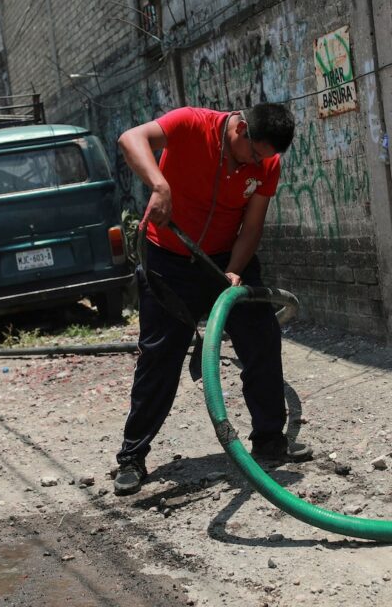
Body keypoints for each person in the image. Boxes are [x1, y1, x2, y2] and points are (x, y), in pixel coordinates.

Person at [113, 102, 311, 496]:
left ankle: (270, 439)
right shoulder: (190, 124)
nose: (257, 164)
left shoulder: (266, 165)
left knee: (262, 337)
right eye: (254, 154)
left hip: (224, 260)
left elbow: (252, 225)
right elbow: (130, 138)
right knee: (160, 354)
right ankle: (132, 456)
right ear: (239, 130)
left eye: (265, 159)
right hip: (168, 258)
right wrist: (159, 184)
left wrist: (234, 271)